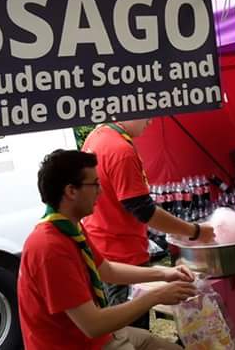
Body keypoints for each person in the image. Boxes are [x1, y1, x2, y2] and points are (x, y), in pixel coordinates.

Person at [18, 149, 197, 350]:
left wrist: (165, 274)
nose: (100, 191)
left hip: (93, 338)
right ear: (71, 191)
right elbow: (93, 325)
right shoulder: (49, 248)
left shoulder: (69, 227)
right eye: (95, 184)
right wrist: (156, 296)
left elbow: (107, 270)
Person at [82, 119, 215, 328]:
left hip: (103, 247)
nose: (150, 121)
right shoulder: (121, 151)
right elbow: (144, 210)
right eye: (146, 114)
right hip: (122, 256)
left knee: (122, 328)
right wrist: (195, 231)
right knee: (131, 330)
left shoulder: (97, 135)